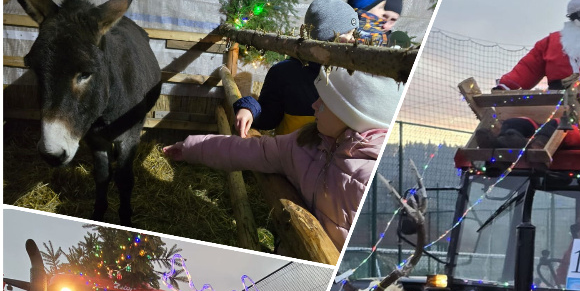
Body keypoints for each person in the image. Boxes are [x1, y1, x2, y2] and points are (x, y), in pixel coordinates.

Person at [164, 67, 403, 249]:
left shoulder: (370, 179)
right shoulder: (306, 142)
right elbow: (247, 150)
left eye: (325, 102)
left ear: (351, 115)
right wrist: (189, 148)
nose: (313, 104)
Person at [232, 0, 363, 138]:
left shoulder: (350, 74)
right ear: (325, 37)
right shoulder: (285, 74)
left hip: (335, 157)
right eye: (347, 34)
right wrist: (249, 108)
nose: (353, 40)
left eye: (354, 34)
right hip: (290, 154)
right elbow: (267, 119)